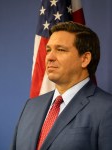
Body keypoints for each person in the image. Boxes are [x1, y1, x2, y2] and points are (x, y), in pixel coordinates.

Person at [11, 21, 112, 150]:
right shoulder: (31, 106)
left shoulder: (107, 109)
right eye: (48, 50)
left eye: (60, 50)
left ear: (85, 59)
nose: (49, 57)